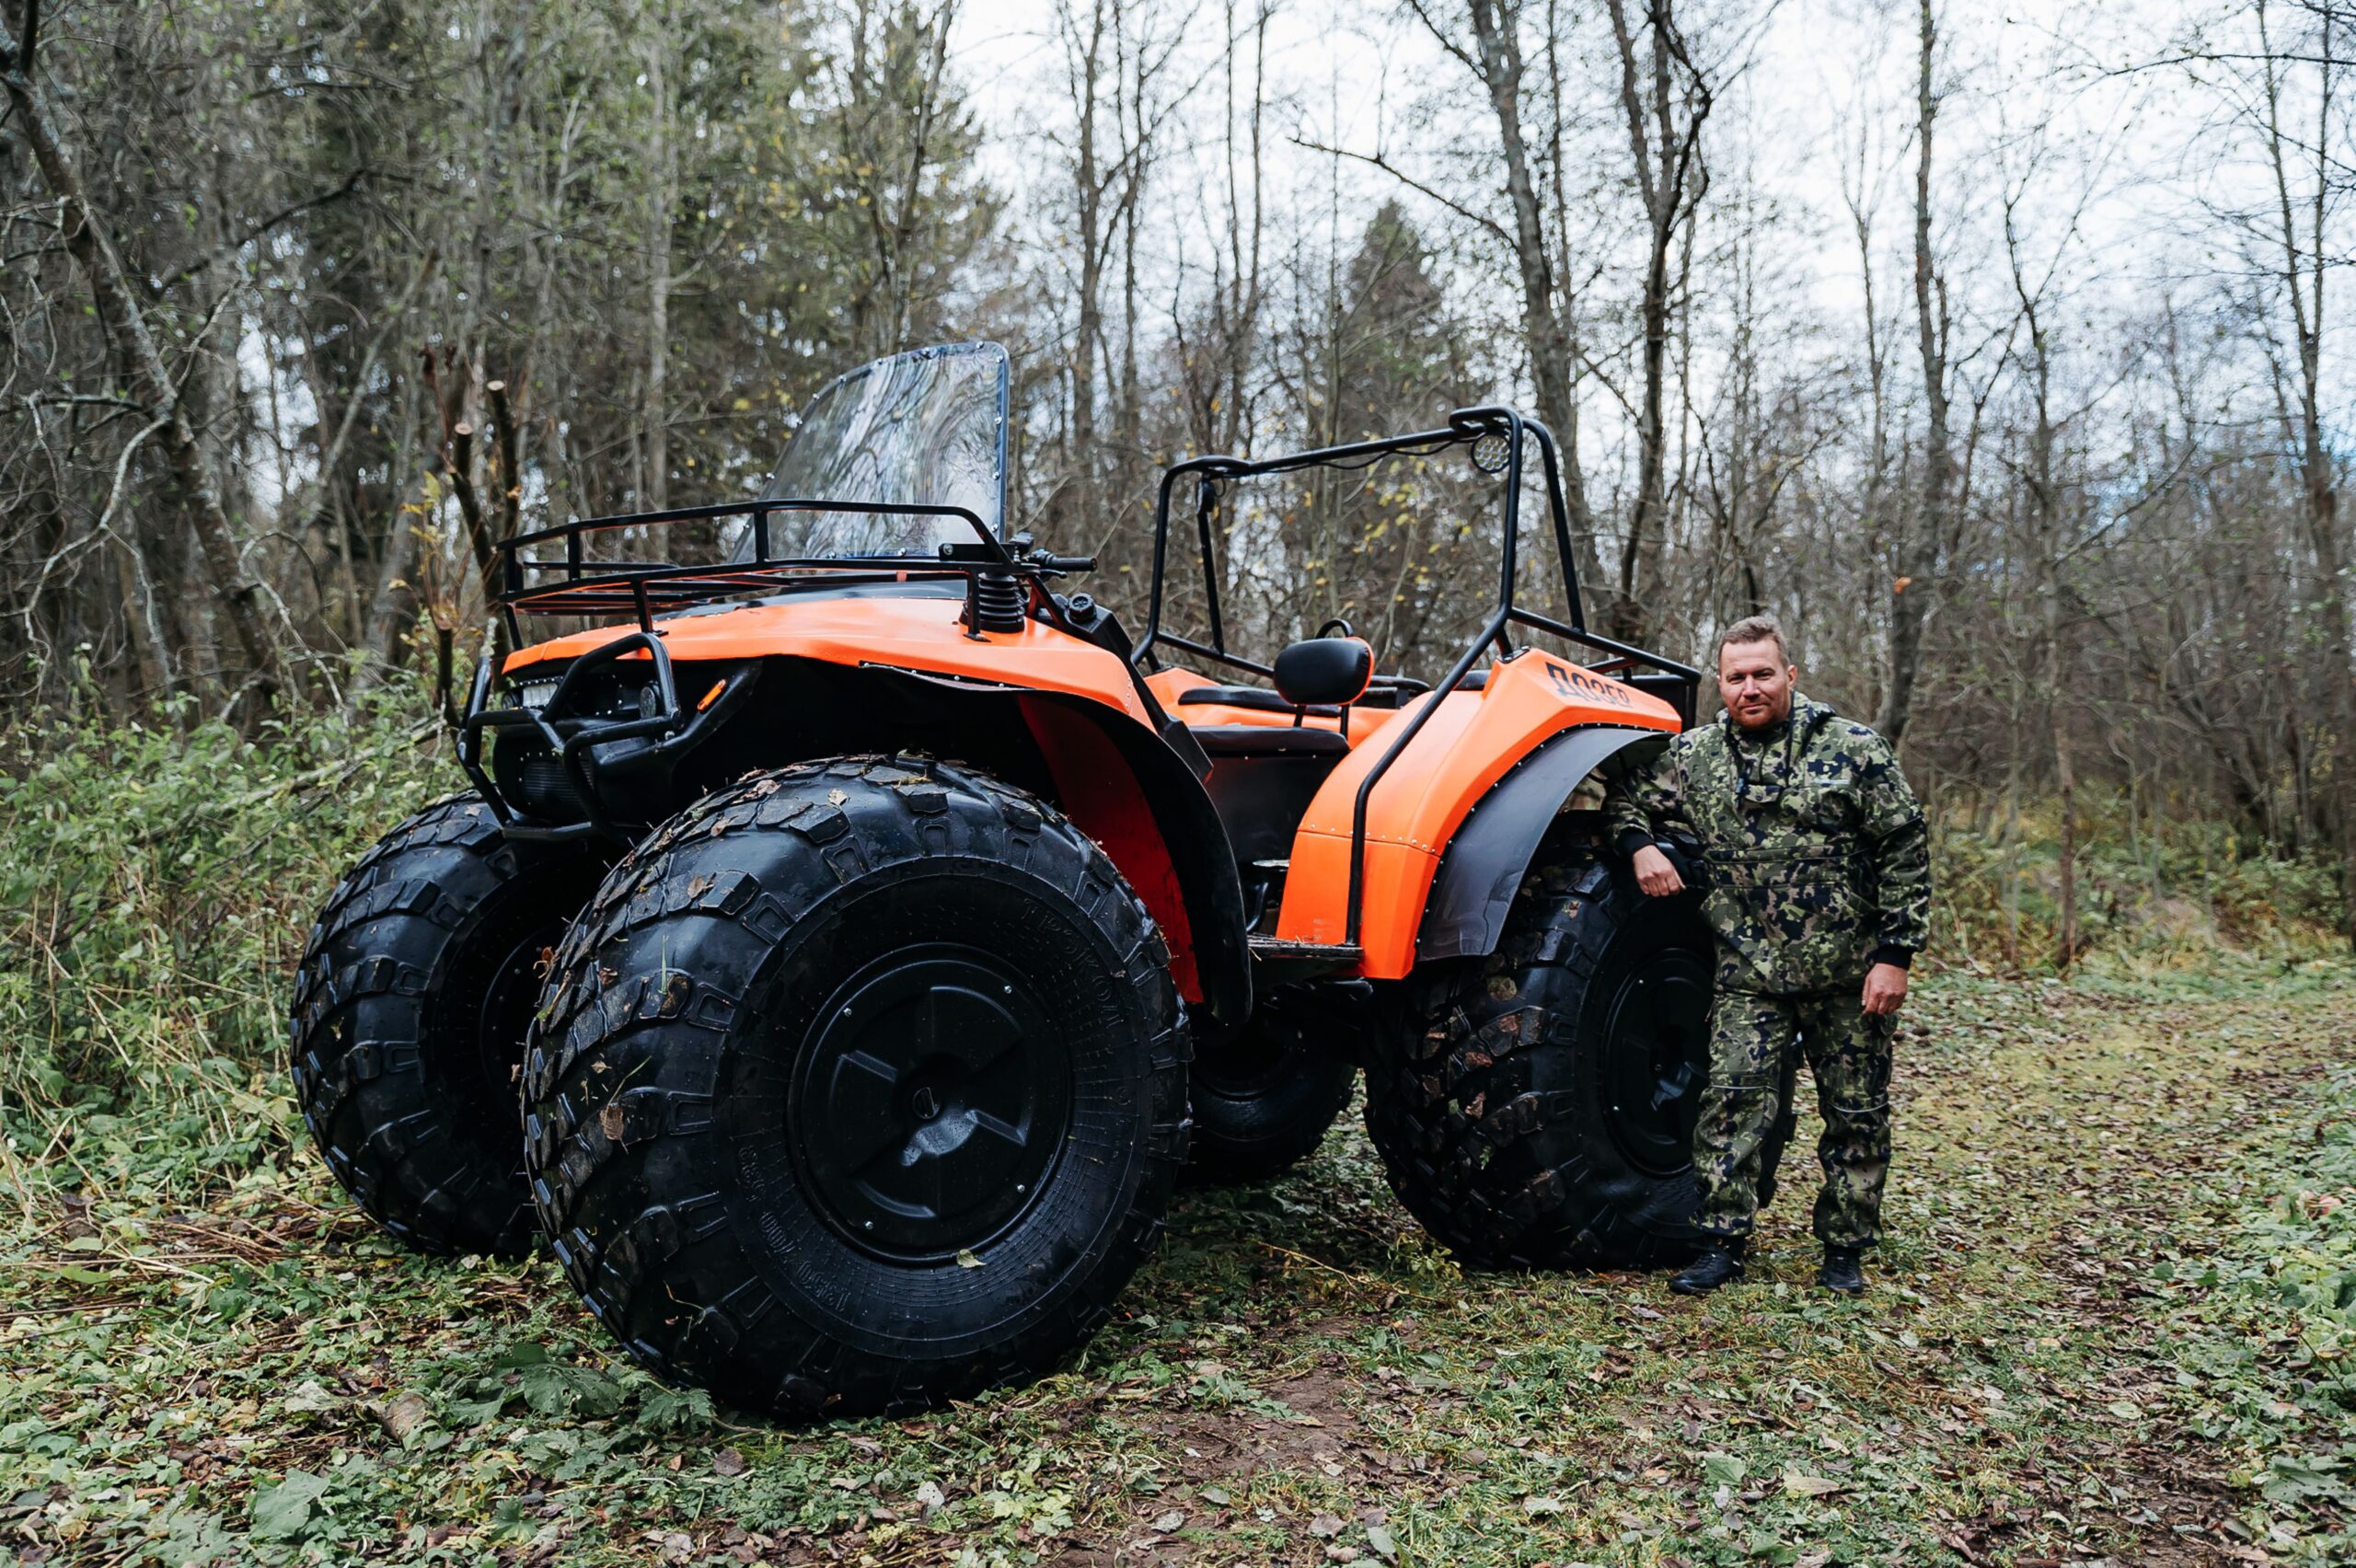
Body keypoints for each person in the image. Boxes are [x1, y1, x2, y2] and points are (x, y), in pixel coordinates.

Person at [1605, 616, 1930, 1296]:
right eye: (1735, 677)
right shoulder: (1693, 758)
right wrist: (1641, 847)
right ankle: (1722, 1241)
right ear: (1719, 684)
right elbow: (1625, 802)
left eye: (1762, 674)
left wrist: (1894, 954)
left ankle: (1844, 1249)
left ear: (1790, 675)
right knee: (1731, 1105)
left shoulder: (1852, 750)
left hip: (1847, 975)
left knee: (1856, 1113)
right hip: (1749, 973)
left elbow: (1904, 847)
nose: (1749, 688)